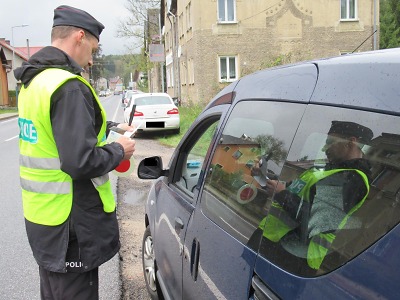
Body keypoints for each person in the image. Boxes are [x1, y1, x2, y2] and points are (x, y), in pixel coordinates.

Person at [14, 5, 136, 299]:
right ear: (79, 37)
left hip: (44, 220)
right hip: (71, 223)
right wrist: (119, 150)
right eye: (92, 49)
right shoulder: (68, 86)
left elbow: (58, 132)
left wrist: (113, 125)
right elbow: (80, 161)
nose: (92, 60)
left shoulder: (34, 82)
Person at [254, 121, 373, 273]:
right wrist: (263, 176)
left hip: (292, 258)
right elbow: (291, 189)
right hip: (272, 246)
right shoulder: (325, 172)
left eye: (330, 142)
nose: (324, 148)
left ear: (351, 142)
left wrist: (281, 193)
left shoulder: (353, 179)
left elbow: (315, 221)